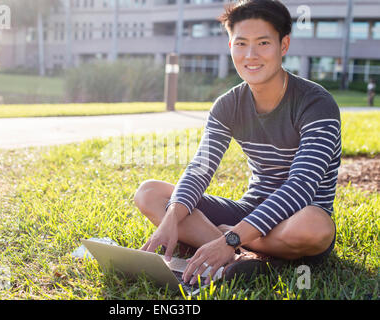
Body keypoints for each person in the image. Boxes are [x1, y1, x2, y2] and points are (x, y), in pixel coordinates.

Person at [134, 0, 340, 286]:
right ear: (230, 46)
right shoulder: (227, 105)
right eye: (241, 43)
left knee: (316, 227)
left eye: (263, 43)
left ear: (284, 45)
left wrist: (231, 236)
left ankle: (229, 245)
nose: (251, 55)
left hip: (296, 220)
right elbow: (200, 168)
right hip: (249, 210)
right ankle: (242, 258)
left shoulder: (316, 104)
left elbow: (301, 187)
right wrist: (171, 217)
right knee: (150, 193)